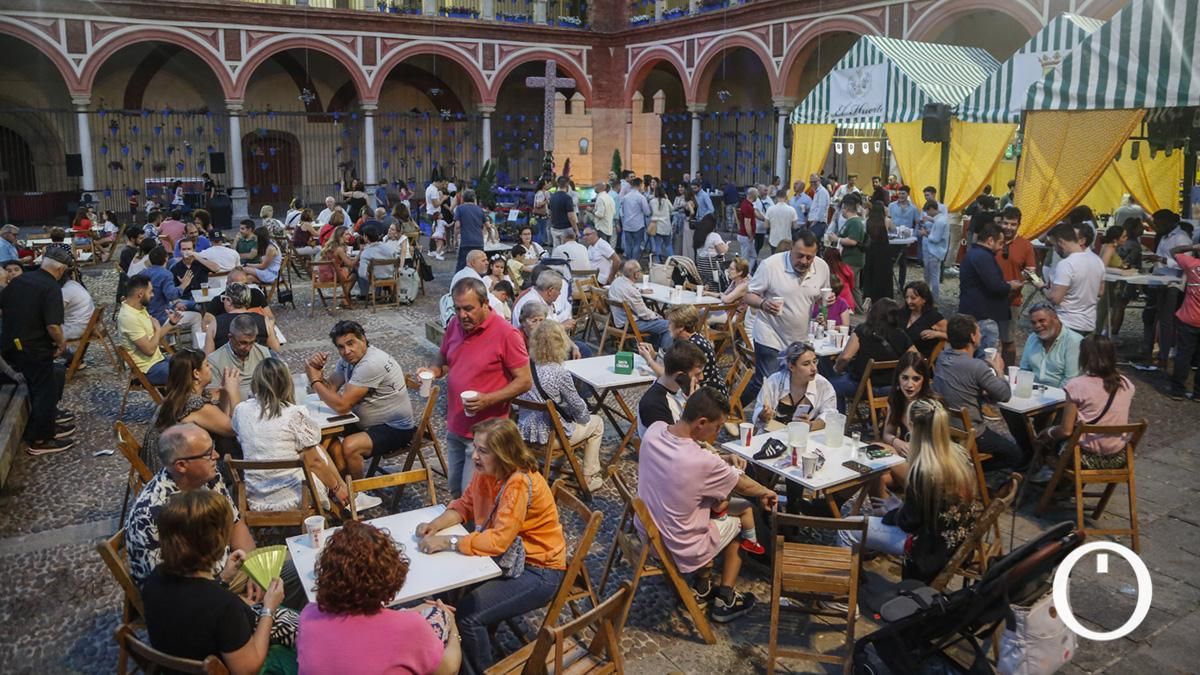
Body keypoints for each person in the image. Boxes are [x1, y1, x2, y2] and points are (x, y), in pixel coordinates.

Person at [414, 418, 566, 675]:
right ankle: (453, 655)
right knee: (450, 591)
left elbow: (498, 542)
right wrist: (437, 524)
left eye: (483, 451)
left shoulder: (518, 483)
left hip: (538, 569)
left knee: (468, 616)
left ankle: (478, 669)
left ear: (504, 454)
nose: (474, 456)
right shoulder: (487, 472)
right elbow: (466, 505)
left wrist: (449, 542)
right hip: (508, 559)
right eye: (475, 448)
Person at [638, 388, 778, 622]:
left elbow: (702, 466)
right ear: (701, 423)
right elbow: (742, 485)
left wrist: (722, 460)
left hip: (648, 531)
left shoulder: (655, 431)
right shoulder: (702, 462)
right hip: (680, 546)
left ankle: (703, 586)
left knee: (719, 508)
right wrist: (765, 491)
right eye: (718, 426)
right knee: (741, 517)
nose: (719, 432)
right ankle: (726, 598)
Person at [141, 490, 297, 674]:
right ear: (216, 540)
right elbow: (248, 668)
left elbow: (195, 609)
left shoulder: (153, 581)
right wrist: (269, 608)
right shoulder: (224, 606)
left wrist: (223, 579)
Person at [838, 398, 982, 582]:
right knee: (886, 508)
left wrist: (891, 512)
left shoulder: (923, 470)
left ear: (912, 426)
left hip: (929, 548)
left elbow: (909, 523)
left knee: (847, 528)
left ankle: (842, 596)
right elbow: (927, 509)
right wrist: (898, 506)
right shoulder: (959, 454)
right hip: (959, 541)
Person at [298, 520, 460, 675]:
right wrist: (453, 628)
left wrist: (413, 611)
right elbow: (450, 668)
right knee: (440, 617)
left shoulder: (309, 616)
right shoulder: (410, 630)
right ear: (389, 574)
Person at [418, 278, 531, 498]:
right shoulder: (454, 325)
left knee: (473, 497)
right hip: (456, 426)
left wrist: (488, 399)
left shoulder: (506, 334)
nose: (462, 315)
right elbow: (443, 355)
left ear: (485, 303)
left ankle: (477, 532)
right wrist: (433, 370)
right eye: (458, 308)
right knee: (455, 491)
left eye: (468, 309)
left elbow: (525, 381)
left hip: (486, 436)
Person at [305, 321, 417, 508]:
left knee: (350, 446)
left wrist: (314, 380)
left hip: (395, 427)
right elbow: (331, 388)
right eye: (341, 347)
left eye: (351, 343)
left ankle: (357, 495)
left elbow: (341, 406)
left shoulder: (371, 364)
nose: (346, 351)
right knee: (325, 436)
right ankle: (342, 487)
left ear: (363, 340)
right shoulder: (348, 360)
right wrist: (318, 373)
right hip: (365, 422)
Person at [233, 357, 348, 511]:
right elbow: (314, 462)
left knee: (315, 450)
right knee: (315, 452)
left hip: (257, 496)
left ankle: (342, 488)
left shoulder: (241, 410)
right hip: (296, 496)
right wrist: (335, 487)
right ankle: (343, 492)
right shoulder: (294, 414)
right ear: (286, 383)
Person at [743, 232, 831, 406]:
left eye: (809, 257)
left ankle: (784, 418)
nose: (804, 261)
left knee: (797, 381)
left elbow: (821, 296)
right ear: (791, 249)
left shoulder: (822, 267)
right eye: (800, 256)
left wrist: (826, 303)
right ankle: (736, 411)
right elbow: (748, 295)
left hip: (799, 338)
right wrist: (763, 304)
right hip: (770, 333)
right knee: (767, 381)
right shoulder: (771, 265)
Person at [0, 249, 74, 454]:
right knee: (45, 390)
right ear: (59, 269)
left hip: (12, 345)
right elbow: (53, 326)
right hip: (34, 347)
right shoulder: (51, 288)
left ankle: (48, 426)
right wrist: (62, 344)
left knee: (45, 384)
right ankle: (41, 439)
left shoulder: (21, 280)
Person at [1034, 335, 1137, 481]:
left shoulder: (1077, 386)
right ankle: (1064, 487)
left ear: (1083, 357)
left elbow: (1066, 430)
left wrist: (1048, 432)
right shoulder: (1127, 384)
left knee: (1049, 437)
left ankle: (1049, 480)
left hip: (1083, 459)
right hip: (1118, 458)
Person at [517, 320, 605, 491]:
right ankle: (589, 476)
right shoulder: (559, 372)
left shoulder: (524, 366)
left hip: (524, 434)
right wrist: (584, 418)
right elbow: (578, 408)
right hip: (551, 439)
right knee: (597, 423)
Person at [932, 314, 1023, 471]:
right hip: (971, 433)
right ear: (972, 337)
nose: (980, 334)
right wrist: (999, 369)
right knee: (1016, 454)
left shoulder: (942, 358)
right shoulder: (976, 367)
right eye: (978, 331)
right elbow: (1004, 395)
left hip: (945, 428)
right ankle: (975, 473)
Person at [139, 348, 238, 476]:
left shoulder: (176, 397)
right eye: (207, 365)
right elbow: (234, 429)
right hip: (175, 473)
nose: (211, 367)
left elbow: (220, 424)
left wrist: (224, 393)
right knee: (237, 458)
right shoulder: (194, 405)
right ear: (196, 373)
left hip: (165, 463)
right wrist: (234, 392)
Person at [826, 298, 914, 408]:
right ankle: (874, 419)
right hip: (892, 387)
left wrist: (837, 369)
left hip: (864, 386)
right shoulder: (901, 334)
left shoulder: (863, 330)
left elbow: (846, 357)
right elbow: (915, 357)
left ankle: (837, 420)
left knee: (830, 386)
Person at [958, 223, 1021, 353]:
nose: (1001, 247)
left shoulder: (974, 254)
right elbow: (995, 286)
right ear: (990, 240)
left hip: (975, 312)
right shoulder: (982, 256)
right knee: (985, 358)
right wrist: (1010, 286)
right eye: (1000, 243)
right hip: (983, 316)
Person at [752, 341, 837, 430]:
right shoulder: (774, 381)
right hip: (773, 434)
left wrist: (811, 425)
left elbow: (830, 414)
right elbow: (758, 411)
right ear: (791, 367)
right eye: (806, 364)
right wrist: (763, 415)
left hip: (805, 437)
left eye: (815, 362)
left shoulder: (823, 385)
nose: (814, 368)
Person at [1041, 221, 1105, 336]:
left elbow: (1055, 299)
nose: (1055, 250)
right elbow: (1100, 292)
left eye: (1054, 245)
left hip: (1068, 323)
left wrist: (1041, 287)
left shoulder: (1066, 264)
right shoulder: (1097, 261)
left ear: (1060, 242)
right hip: (1089, 323)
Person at [880, 351, 934, 488]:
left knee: (882, 455)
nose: (909, 385)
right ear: (898, 378)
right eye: (905, 378)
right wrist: (896, 442)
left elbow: (936, 448)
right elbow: (887, 434)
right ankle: (890, 508)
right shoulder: (897, 399)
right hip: (904, 462)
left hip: (926, 469)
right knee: (876, 477)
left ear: (924, 380)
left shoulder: (930, 406)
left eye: (916, 379)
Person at [118, 274, 179, 386]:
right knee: (187, 374)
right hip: (148, 370)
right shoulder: (129, 317)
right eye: (150, 292)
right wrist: (157, 328)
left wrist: (171, 323)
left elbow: (153, 338)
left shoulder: (139, 308)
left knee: (193, 362)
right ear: (140, 294)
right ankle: (185, 402)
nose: (153, 295)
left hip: (158, 360)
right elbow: (149, 350)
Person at [994, 207, 1037, 366]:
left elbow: (1031, 271)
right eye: (1006, 223)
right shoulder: (992, 240)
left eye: (1013, 224)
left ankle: (1007, 374)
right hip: (988, 299)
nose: (1008, 227)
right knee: (986, 338)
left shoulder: (1025, 245)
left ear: (1019, 225)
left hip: (1011, 301)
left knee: (1008, 340)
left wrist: (1019, 281)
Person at [636, 340, 706, 437]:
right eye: (697, 374)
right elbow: (673, 444)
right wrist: (691, 408)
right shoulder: (655, 405)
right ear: (680, 376)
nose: (701, 378)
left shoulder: (680, 387)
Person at [607, 260, 672, 348]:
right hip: (631, 324)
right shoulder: (631, 291)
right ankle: (663, 353)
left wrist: (640, 291)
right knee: (669, 325)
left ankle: (654, 347)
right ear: (636, 274)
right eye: (639, 271)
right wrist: (657, 315)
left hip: (619, 321)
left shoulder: (617, 282)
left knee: (658, 322)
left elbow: (628, 292)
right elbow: (644, 313)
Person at [202, 282, 280, 354]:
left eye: (224, 298)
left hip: (226, 367)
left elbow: (208, 356)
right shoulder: (264, 320)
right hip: (258, 365)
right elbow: (276, 349)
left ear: (229, 301)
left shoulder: (215, 323)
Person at [207, 314, 272, 400]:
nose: (248, 348)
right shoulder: (214, 360)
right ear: (230, 337)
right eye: (243, 343)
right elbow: (213, 397)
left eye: (252, 342)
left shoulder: (263, 352)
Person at [1167, 239, 1200, 399]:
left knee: (1183, 355)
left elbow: (1174, 251)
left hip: (1188, 317)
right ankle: (1198, 393)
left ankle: (1178, 390)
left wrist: (1192, 247)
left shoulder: (1191, 264)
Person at [860, 201, 895, 303]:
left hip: (871, 250)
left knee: (871, 273)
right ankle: (884, 295)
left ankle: (869, 295)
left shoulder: (867, 221)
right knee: (884, 274)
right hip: (883, 250)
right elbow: (894, 229)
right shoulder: (886, 221)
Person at [902, 281, 947, 358]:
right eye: (907, 297)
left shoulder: (933, 317)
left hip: (918, 360)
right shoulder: (903, 312)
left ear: (924, 299)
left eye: (913, 298)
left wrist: (937, 334)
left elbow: (954, 336)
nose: (909, 301)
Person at [917, 199, 949, 303]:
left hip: (934, 251)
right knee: (933, 275)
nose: (927, 214)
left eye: (928, 211)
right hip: (936, 251)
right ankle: (930, 297)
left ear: (931, 209)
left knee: (934, 277)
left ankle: (934, 299)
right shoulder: (941, 219)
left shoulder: (940, 221)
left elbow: (935, 239)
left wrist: (925, 233)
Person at [318, 225, 358, 307]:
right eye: (346, 234)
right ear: (340, 236)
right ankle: (344, 298)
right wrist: (360, 255)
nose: (349, 236)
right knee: (354, 274)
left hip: (323, 274)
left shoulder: (330, 246)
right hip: (332, 275)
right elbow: (350, 263)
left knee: (348, 271)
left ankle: (346, 297)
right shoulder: (339, 249)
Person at [355, 223, 396, 298]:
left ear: (366, 237)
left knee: (358, 269)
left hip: (375, 277)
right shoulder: (388, 248)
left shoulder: (366, 253)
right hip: (390, 275)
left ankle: (364, 294)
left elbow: (362, 274)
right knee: (378, 269)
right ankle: (378, 293)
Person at [452, 188, 487, 271]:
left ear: (463, 198)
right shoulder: (480, 210)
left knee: (462, 265)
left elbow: (457, 226)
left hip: (466, 241)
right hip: (479, 242)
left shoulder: (460, 208)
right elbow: (487, 225)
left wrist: (455, 239)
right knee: (479, 265)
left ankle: (459, 282)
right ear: (474, 198)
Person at [693, 215, 729, 292]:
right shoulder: (714, 236)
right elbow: (722, 251)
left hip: (702, 268)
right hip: (713, 270)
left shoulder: (697, 235)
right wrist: (726, 246)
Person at [621, 177, 651, 262]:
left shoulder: (625, 197)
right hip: (638, 224)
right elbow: (647, 211)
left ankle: (628, 262)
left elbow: (622, 210)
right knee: (637, 244)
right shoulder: (640, 197)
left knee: (628, 245)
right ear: (640, 185)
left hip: (627, 224)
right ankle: (634, 262)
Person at [61, 275, 95, 342]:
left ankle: (59, 351)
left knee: (43, 332)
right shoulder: (74, 284)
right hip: (87, 324)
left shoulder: (65, 291)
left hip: (77, 328)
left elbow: (55, 314)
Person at [736, 186, 763, 267]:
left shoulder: (745, 204)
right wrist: (750, 235)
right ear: (754, 196)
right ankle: (745, 274)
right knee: (746, 258)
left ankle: (747, 272)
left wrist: (764, 218)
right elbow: (747, 223)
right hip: (745, 236)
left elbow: (755, 214)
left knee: (752, 256)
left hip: (743, 235)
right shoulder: (748, 207)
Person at [530, 177, 551, 245]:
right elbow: (538, 204)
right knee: (541, 229)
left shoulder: (542, 193)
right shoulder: (541, 193)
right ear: (543, 185)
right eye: (547, 184)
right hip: (540, 215)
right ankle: (540, 242)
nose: (548, 185)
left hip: (540, 215)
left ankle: (541, 241)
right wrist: (546, 201)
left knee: (542, 229)